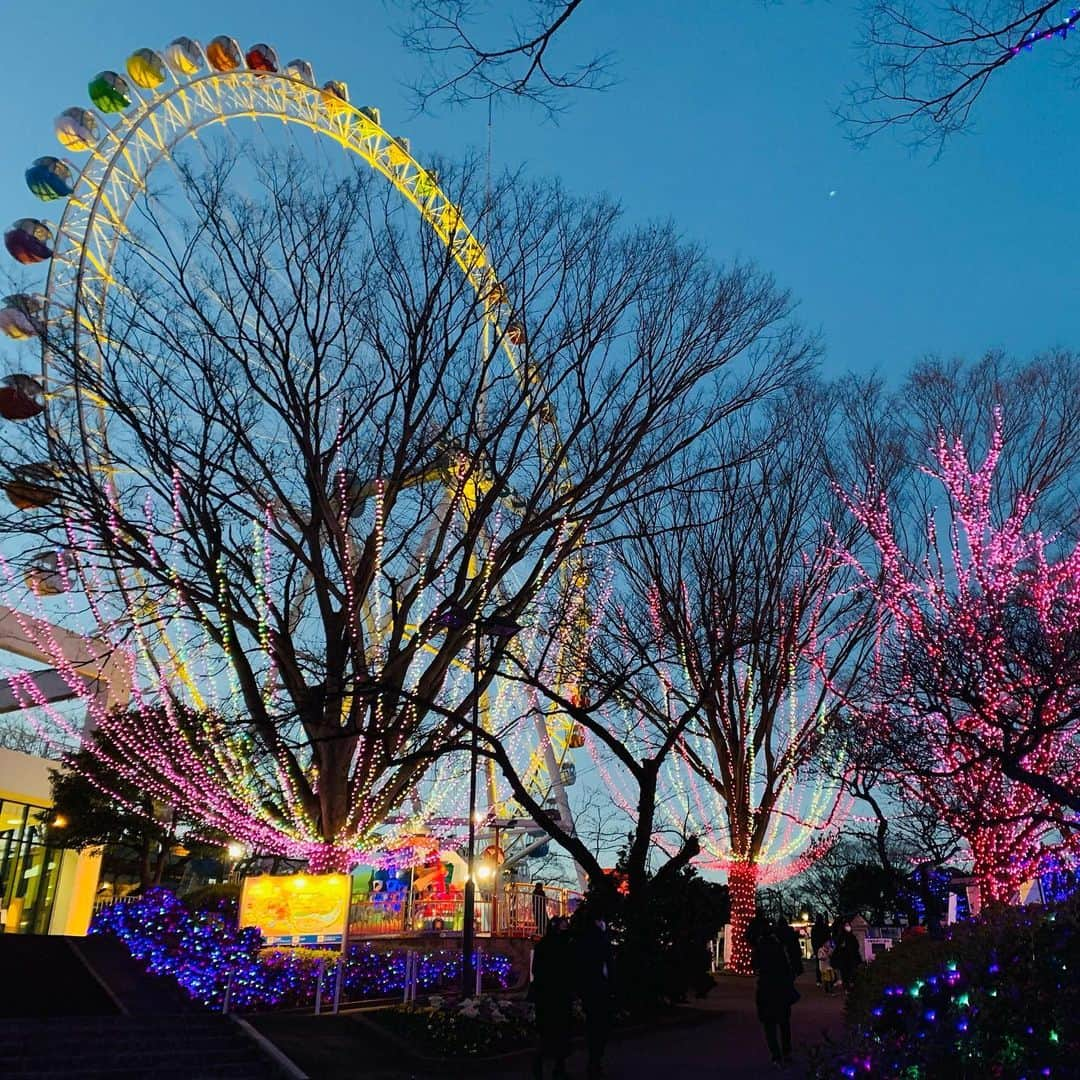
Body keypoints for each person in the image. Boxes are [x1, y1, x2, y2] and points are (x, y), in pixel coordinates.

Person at [751, 921, 799, 1069]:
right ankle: (787, 1052)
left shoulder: (759, 948)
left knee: (769, 1025)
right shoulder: (779, 947)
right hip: (780, 988)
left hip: (766, 989)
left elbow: (755, 966)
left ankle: (776, 1055)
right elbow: (787, 967)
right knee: (784, 1023)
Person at [530, 916, 574, 1080]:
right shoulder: (563, 947)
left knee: (549, 1031)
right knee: (557, 1031)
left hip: (549, 996)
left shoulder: (544, 945)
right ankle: (553, 1066)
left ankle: (548, 1065)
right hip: (556, 995)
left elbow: (536, 970)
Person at [577, 911, 615, 1078]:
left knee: (597, 1027)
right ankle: (594, 1062)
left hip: (597, 988)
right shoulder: (596, 940)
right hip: (596, 988)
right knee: (597, 1027)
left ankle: (595, 1060)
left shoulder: (596, 939)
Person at [831, 920, 862, 994]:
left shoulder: (852, 936)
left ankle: (851, 986)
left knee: (852, 972)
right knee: (845, 974)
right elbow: (838, 946)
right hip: (844, 959)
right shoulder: (841, 936)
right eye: (846, 925)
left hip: (852, 958)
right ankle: (847, 988)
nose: (848, 927)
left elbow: (856, 946)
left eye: (849, 925)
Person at [810, 915, 829, 985]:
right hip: (825, 947)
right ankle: (827, 979)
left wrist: (815, 949)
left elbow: (813, 940)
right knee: (826, 964)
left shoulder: (814, 928)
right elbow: (828, 937)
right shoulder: (825, 927)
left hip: (818, 948)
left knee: (818, 964)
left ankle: (819, 980)